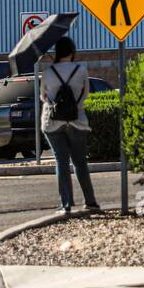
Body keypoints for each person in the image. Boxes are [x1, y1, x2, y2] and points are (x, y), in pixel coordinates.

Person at [41, 36, 100, 216]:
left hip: (53, 122)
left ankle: (65, 204)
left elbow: (43, 97)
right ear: (72, 52)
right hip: (77, 120)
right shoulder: (81, 70)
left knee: (61, 162)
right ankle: (90, 202)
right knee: (80, 162)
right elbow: (86, 94)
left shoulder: (47, 72)